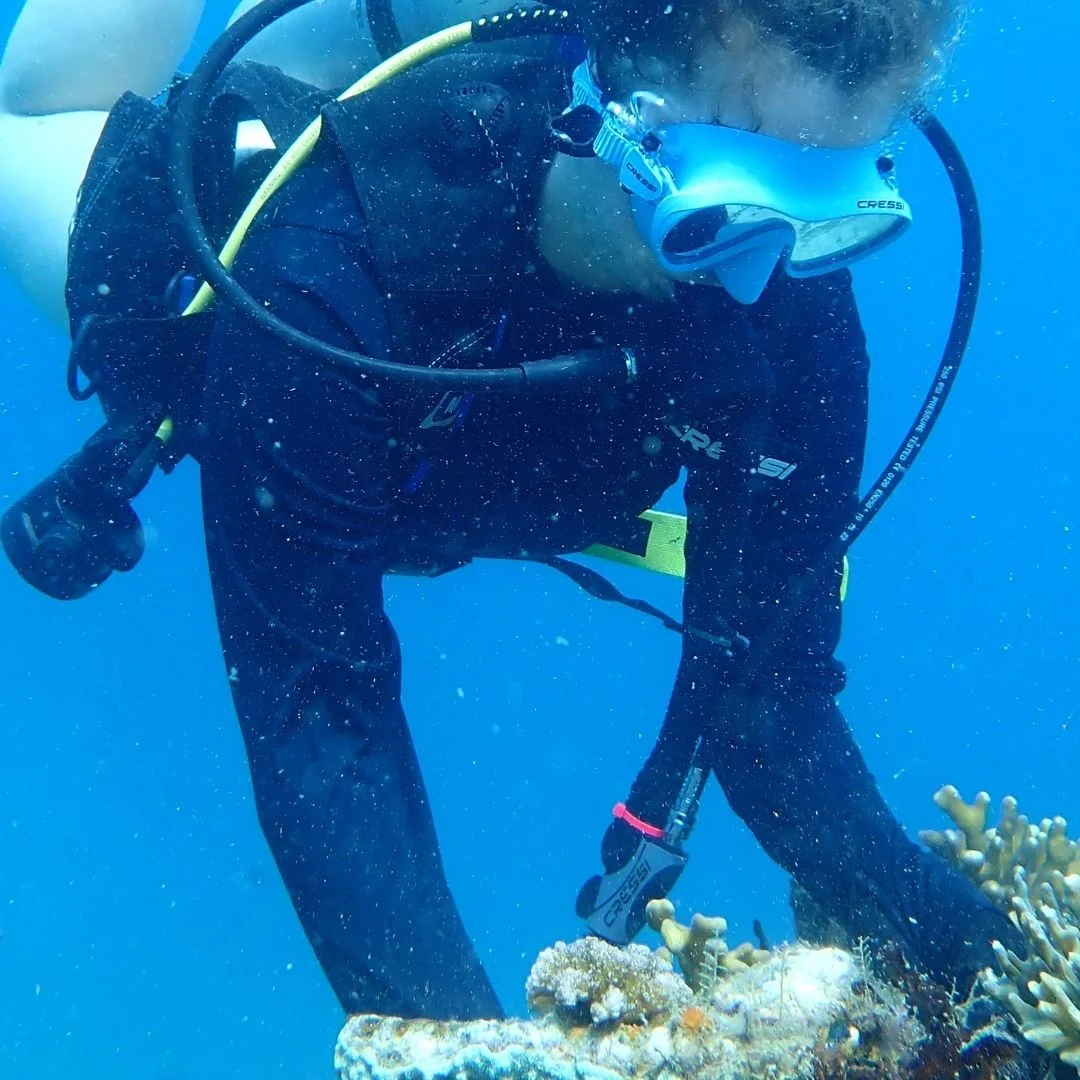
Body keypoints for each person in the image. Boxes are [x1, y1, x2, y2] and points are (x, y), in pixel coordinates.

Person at [1, 0, 1023, 1024]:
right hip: (200, 271)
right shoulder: (326, 267)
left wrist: (1002, 980)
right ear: (609, 115)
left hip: (427, 399)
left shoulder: (794, 303)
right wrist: (473, 1053)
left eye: (828, 208)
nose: (760, 283)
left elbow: (770, 706)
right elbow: (320, 720)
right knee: (28, 110)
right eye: (731, 204)